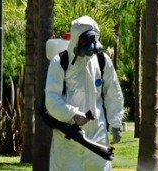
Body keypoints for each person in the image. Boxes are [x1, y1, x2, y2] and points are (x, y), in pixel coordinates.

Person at [45, 16, 124, 170]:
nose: (91, 45)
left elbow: (113, 93)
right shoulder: (60, 62)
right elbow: (51, 98)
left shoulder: (102, 61)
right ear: (75, 40)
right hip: (68, 139)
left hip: (97, 138)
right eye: (85, 40)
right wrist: (72, 114)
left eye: (94, 39)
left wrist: (115, 122)